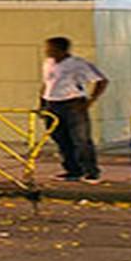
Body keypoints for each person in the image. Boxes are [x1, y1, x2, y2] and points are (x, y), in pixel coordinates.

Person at [41, 34, 107, 182]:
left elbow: (101, 81)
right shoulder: (48, 63)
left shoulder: (77, 64)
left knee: (80, 139)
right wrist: (42, 103)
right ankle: (72, 170)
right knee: (61, 138)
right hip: (52, 103)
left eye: (50, 48)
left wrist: (90, 101)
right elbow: (47, 83)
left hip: (72, 103)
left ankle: (91, 171)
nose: (47, 51)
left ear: (61, 49)